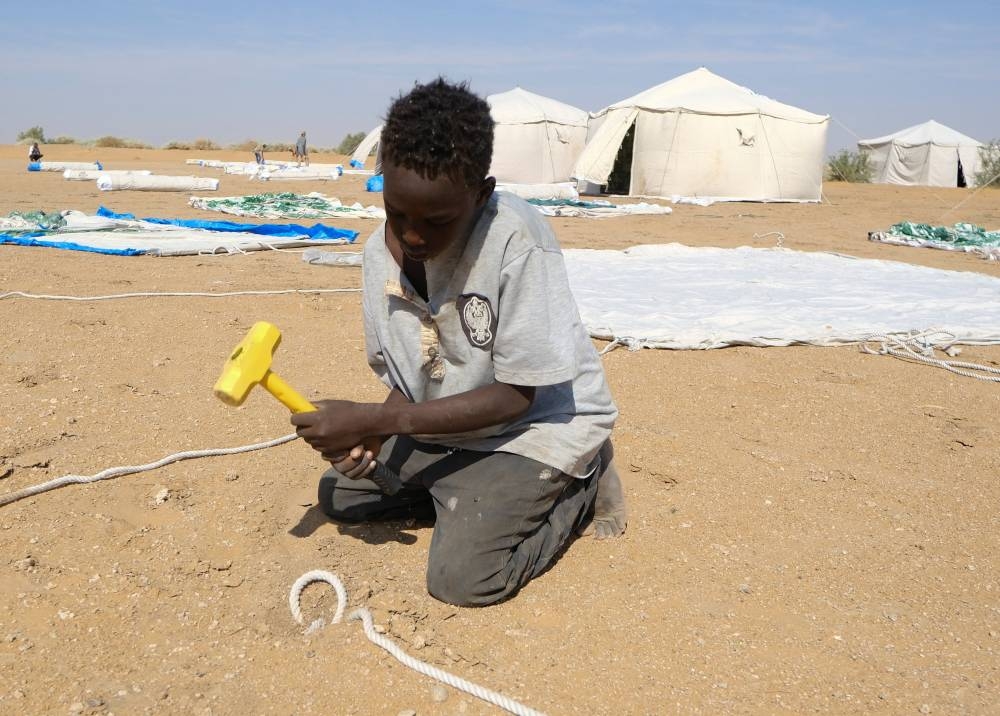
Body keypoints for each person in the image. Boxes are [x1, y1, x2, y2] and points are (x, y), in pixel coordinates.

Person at [292, 78, 627, 607]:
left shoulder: (517, 241)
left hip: (534, 426)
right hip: (455, 423)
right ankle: (472, 496)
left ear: (481, 194)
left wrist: (376, 422)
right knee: (345, 493)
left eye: (438, 220)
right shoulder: (379, 258)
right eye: (397, 214)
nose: (413, 237)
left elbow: (519, 396)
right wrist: (374, 437)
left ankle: (577, 483)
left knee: (463, 580)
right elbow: (413, 374)